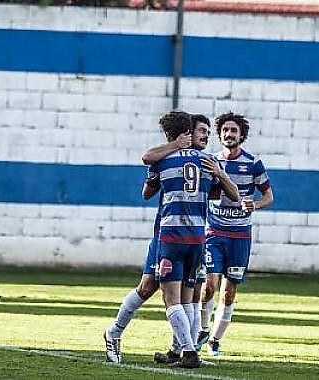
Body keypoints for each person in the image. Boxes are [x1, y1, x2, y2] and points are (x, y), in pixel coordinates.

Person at [149, 110, 239, 368]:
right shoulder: (208, 161)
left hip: (172, 237)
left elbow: (146, 163)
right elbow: (232, 195)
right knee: (189, 297)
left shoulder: (164, 160)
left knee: (171, 298)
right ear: (188, 132)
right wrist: (220, 174)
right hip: (199, 239)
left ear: (169, 135)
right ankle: (179, 350)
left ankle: (189, 352)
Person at [102, 122, 192, 364]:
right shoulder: (164, 158)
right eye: (199, 131)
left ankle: (181, 350)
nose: (201, 136)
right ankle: (114, 333)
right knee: (149, 289)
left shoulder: (201, 161)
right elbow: (146, 188)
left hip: (193, 238)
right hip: (167, 236)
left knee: (186, 294)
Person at [198, 112, 274, 356]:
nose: (229, 134)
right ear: (219, 134)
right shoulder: (210, 161)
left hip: (240, 236)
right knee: (209, 284)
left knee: (229, 291)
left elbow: (268, 196)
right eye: (225, 130)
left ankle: (215, 340)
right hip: (213, 233)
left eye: (234, 131)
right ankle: (201, 330)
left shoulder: (253, 163)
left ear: (242, 135)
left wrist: (255, 204)